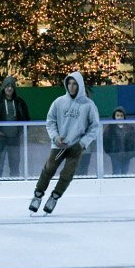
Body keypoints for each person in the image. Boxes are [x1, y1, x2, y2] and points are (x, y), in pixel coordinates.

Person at [29, 71, 100, 215]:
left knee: (67, 174)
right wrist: (55, 137)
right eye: (69, 83)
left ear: (80, 85)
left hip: (76, 147)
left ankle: (54, 197)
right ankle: (38, 195)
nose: (72, 87)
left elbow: (94, 127)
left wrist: (82, 143)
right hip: (59, 145)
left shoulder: (88, 105)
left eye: (75, 84)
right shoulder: (59, 102)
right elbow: (50, 121)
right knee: (49, 168)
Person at [0, 76, 30, 177]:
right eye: (7, 86)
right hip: (0, 139)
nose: (9, 88)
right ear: (3, 87)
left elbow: (26, 118)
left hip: (14, 138)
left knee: (14, 164)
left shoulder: (19, 102)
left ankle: (15, 183)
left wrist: (21, 131)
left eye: (12, 86)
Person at [103, 106, 135, 175]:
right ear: (114, 117)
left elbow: (134, 141)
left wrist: (132, 152)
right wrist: (111, 153)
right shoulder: (110, 128)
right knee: (116, 172)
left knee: (125, 172)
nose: (119, 117)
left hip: (127, 155)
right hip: (115, 156)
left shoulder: (130, 128)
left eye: (121, 116)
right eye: (117, 115)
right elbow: (106, 142)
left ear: (124, 117)